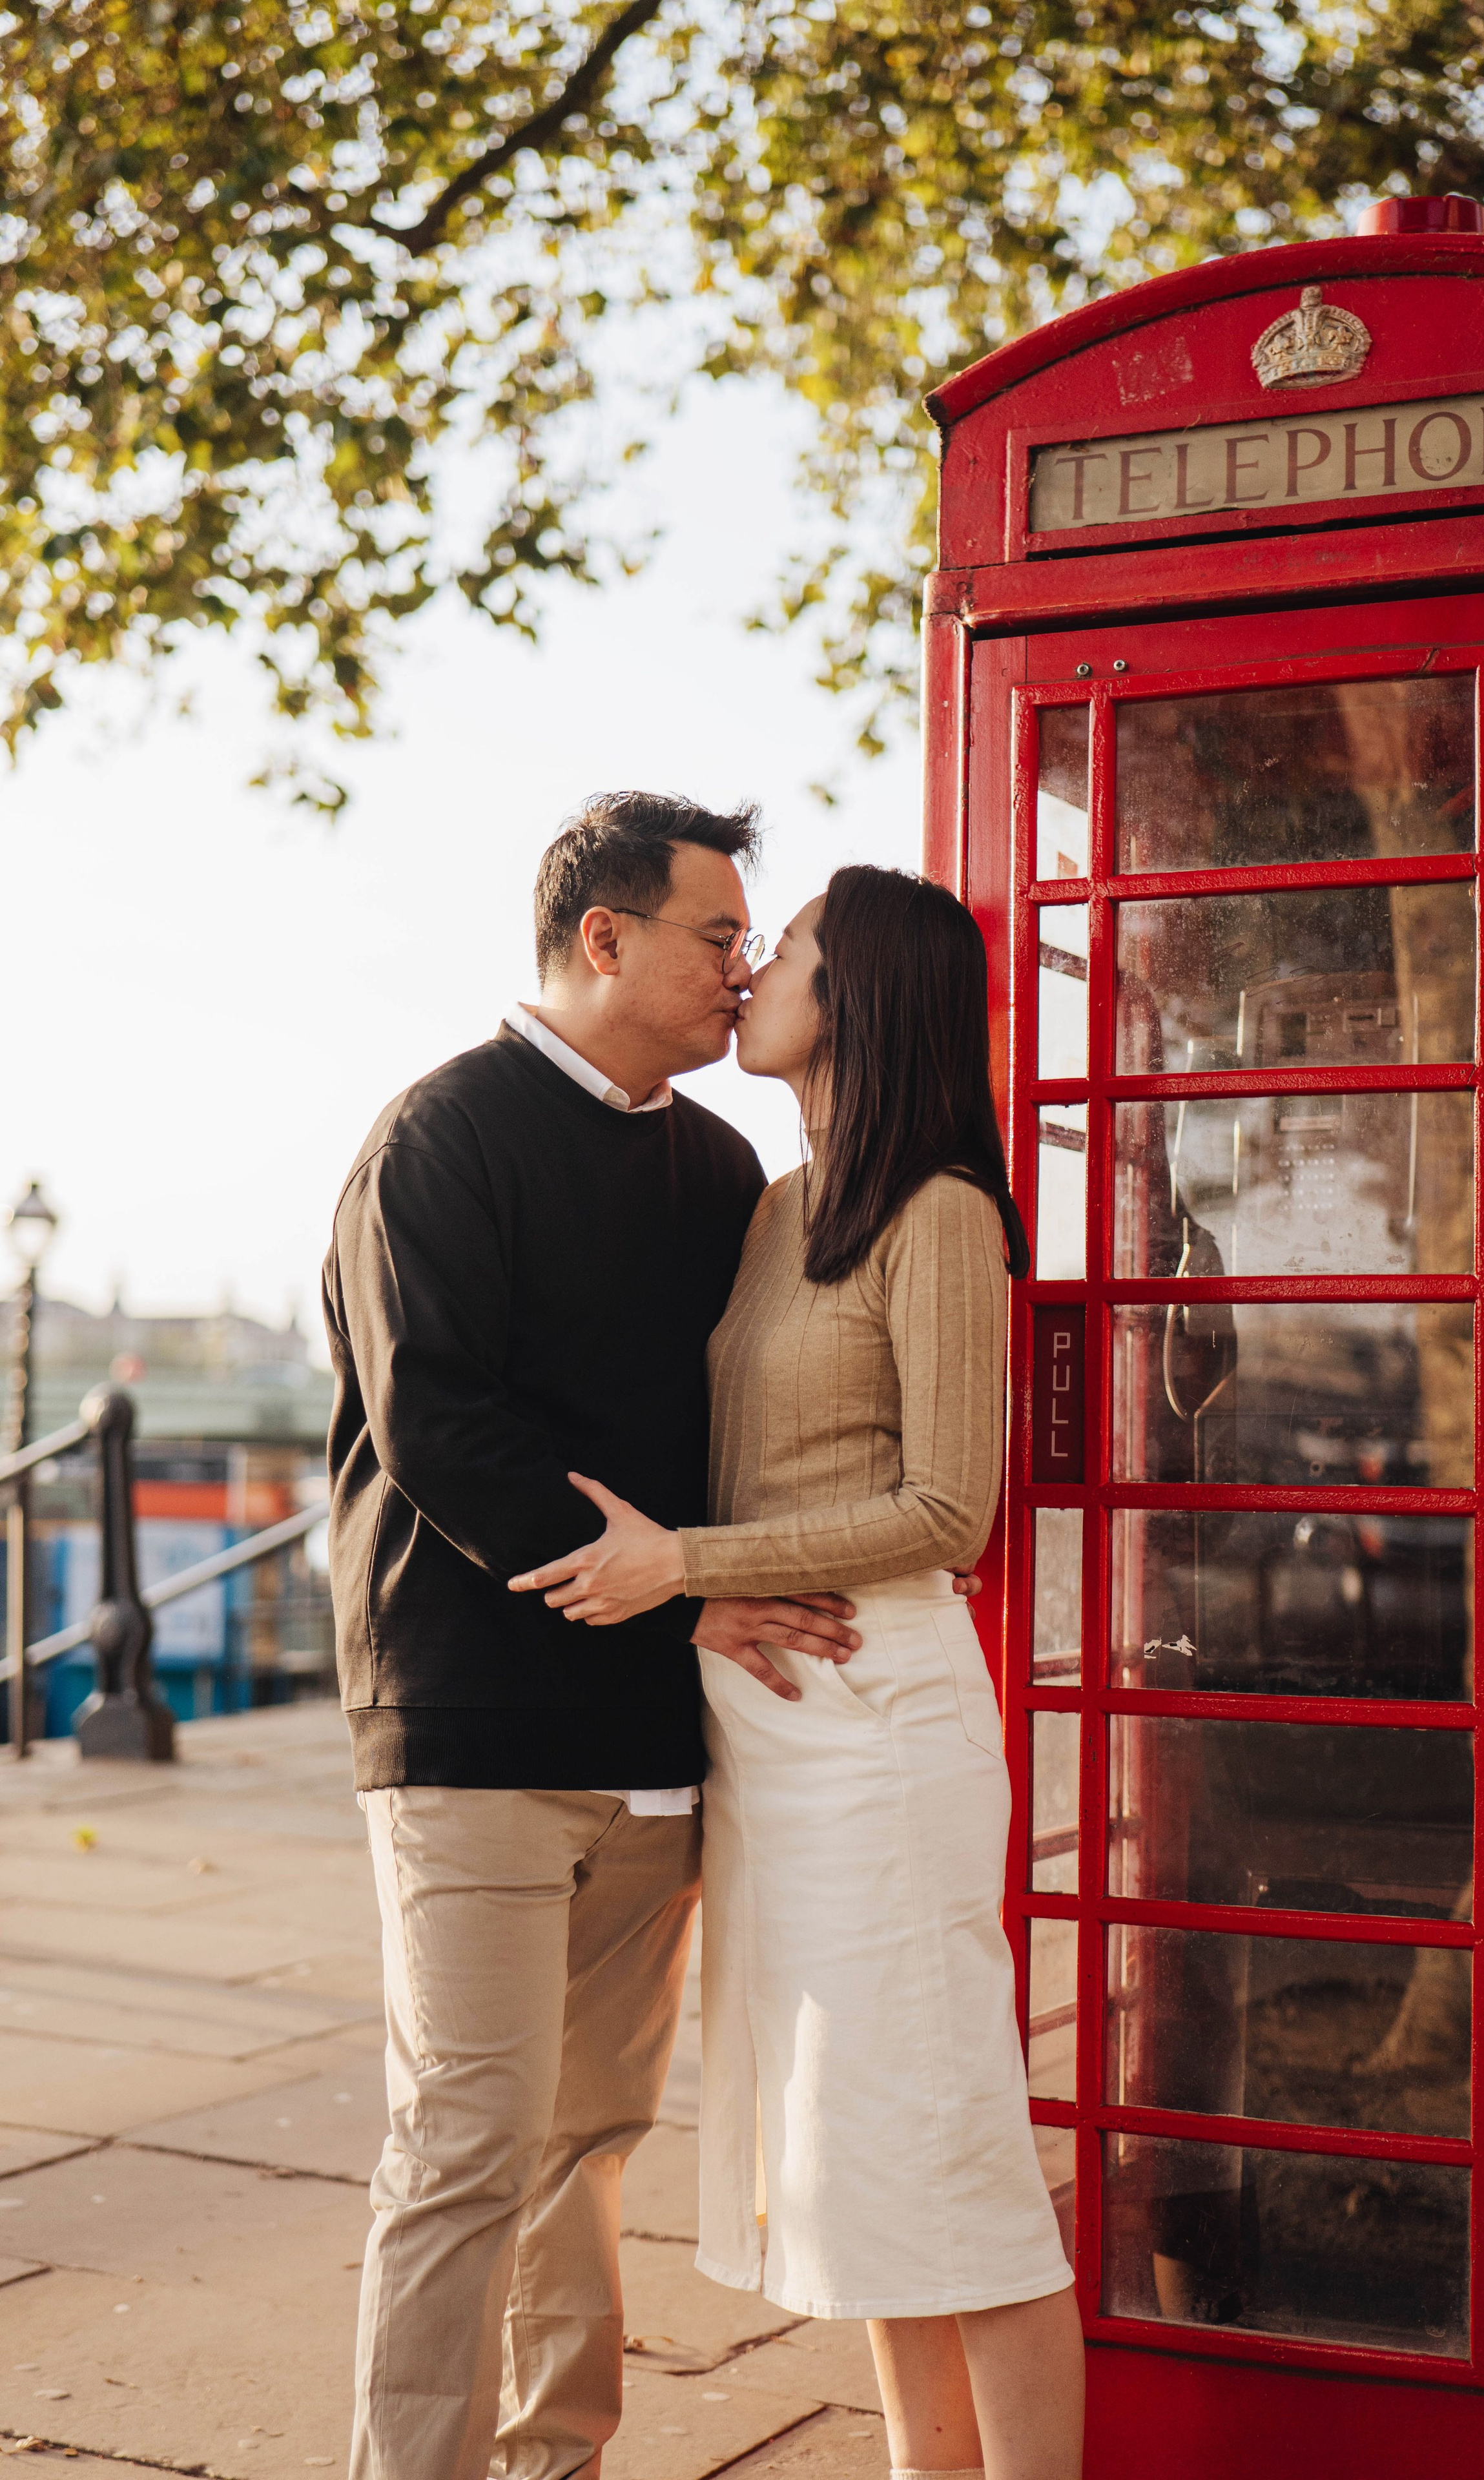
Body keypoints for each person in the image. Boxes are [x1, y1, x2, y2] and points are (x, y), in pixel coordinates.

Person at [512, 866, 1087, 2480]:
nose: (753, 966)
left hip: (880, 1716)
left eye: (792, 949)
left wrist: (683, 1564)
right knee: (862, 2162)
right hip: (769, 1727)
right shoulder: (783, 1204)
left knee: (953, 2151)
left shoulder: (942, 1212)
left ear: (861, 998)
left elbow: (945, 1507)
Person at [325, 790, 867, 2480]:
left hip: (657, 1741)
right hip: (472, 1728)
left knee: (595, 2145)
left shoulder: (719, 1166)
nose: (744, 964)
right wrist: (694, 1585)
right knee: (466, 2146)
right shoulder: (441, 1139)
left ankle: (558, 2461)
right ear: (603, 938)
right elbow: (441, 1431)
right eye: (720, 933)